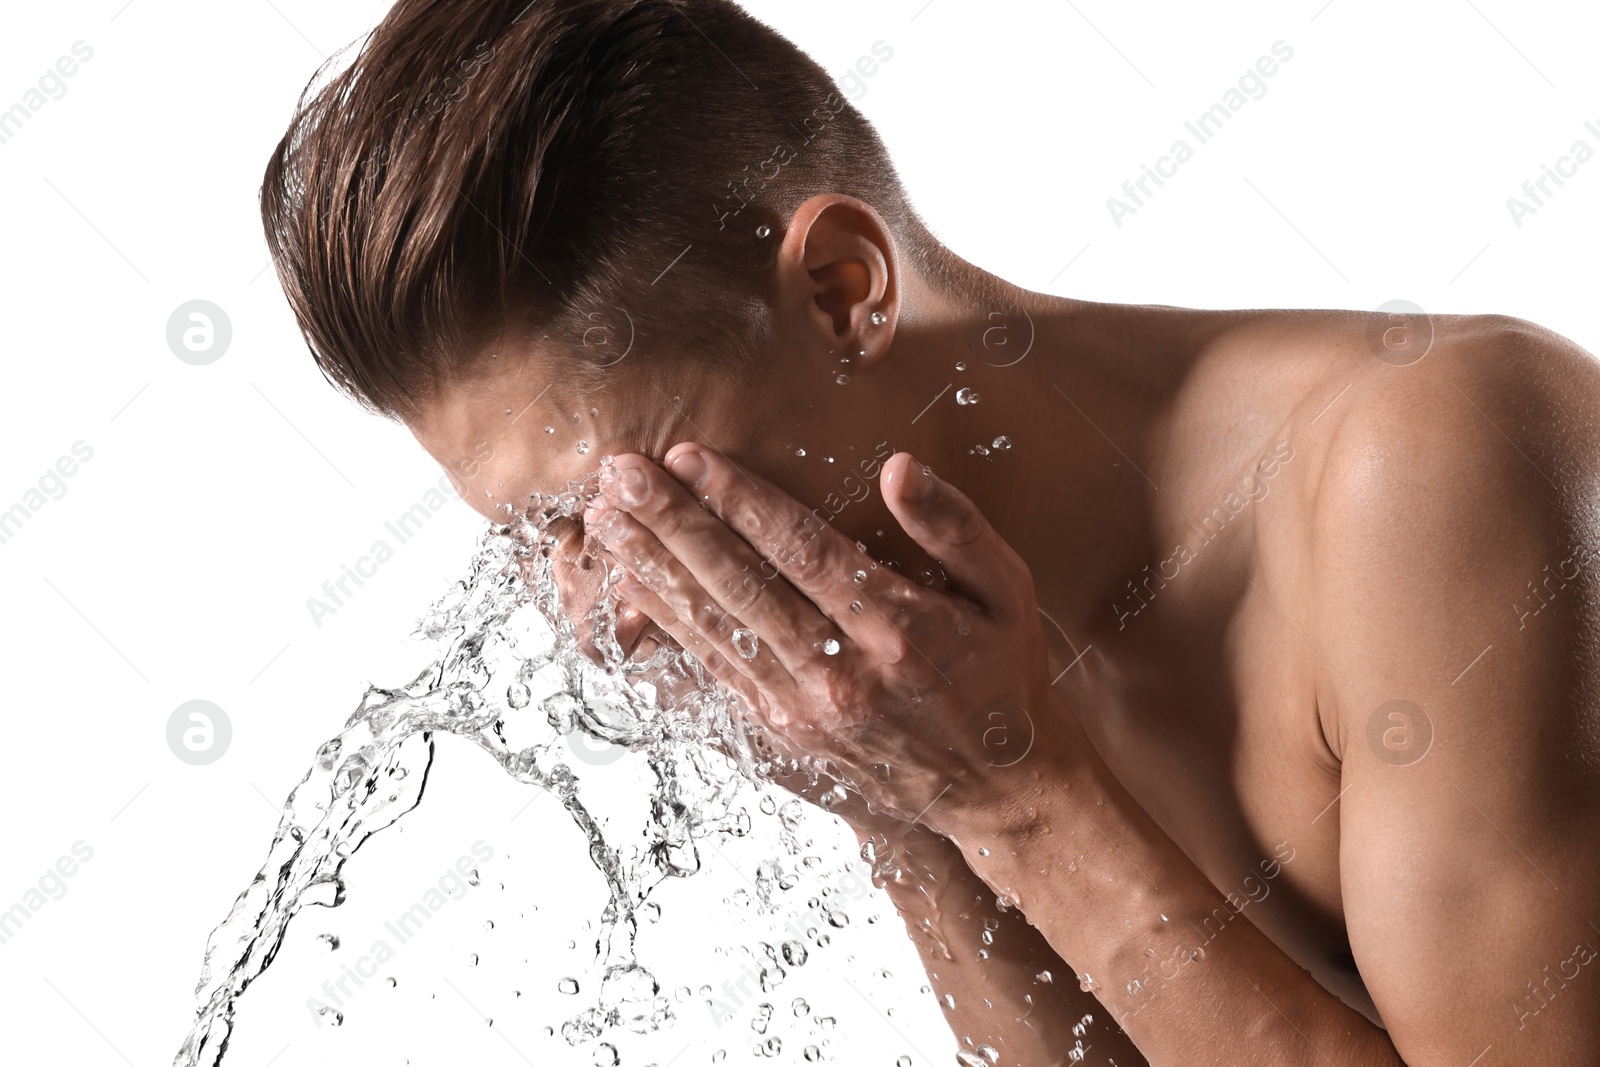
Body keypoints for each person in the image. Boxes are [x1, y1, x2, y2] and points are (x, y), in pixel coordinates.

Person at [259, 1, 1600, 1063]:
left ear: (846, 289)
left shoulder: (1429, 461)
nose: (619, 602)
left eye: (636, 494)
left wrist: (1016, 802)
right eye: (552, 537)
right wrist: (899, 812)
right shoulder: (941, 675)